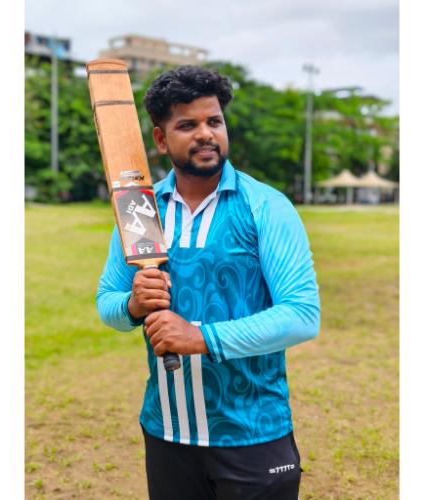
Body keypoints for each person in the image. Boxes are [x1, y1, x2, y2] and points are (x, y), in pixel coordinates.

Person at [96, 65, 320, 500]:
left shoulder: (265, 206)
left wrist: (199, 337)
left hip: (252, 431)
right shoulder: (142, 210)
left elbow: (302, 315)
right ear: (161, 140)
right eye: (187, 125)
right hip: (167, 430)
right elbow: (108, 302)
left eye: (214, 121)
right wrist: (132, 306)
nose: (205, 134)